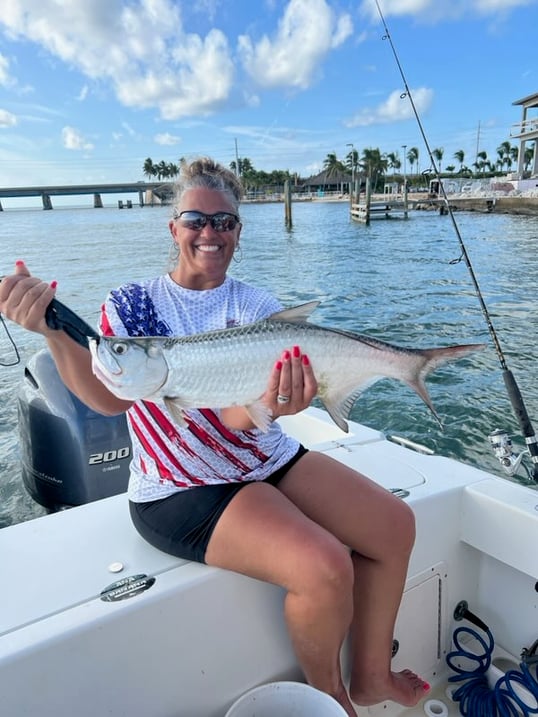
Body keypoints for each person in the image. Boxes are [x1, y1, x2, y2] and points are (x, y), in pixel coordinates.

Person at [0, 157, 429, 716]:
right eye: (196, 219)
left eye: (224, 222)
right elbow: (110, 395)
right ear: (173, 226)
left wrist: (275, 404)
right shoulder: (133, 304)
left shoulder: (255, 307)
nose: (210, 233)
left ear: (238, 232)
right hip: (181, 487)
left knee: (395, 526)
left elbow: (236, 420)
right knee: (325, 568)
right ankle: (330, 698)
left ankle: (372, 676)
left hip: (264, 458)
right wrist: (53, 330)